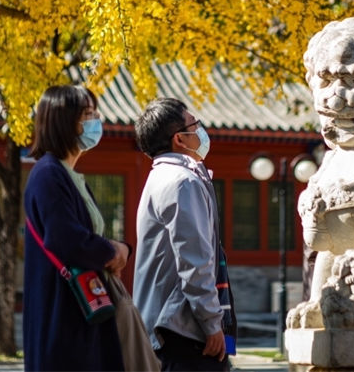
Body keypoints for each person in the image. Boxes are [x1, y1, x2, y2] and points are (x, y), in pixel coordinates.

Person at [23, 85, 129, 371]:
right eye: (87, 114)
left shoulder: (67, 175)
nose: (95, 121)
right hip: (63, 314)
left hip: (83, 311)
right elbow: (66, 240)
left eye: (95, 113)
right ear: (63, 120)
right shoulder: (47, 174)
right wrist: (113, 250)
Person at [133, 98, 236, 372]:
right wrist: (212, 323)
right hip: (183, 330)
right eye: (196, 124)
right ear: (180, 139)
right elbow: (195, 261)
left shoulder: (163, 177)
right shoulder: (182, 182)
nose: (202, 130)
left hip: (171, 327)